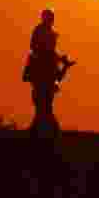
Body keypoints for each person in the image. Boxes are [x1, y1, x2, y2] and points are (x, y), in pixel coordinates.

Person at [23, 8, 75, 138]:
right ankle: (49, 129)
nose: (52, 21)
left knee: (44, 101)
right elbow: (38, 49)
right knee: (43, 101)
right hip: (42, 69)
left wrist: (59, 59)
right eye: (50, 18)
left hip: (47, 68)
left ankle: (39, 129)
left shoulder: (46, 32)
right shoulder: (41, 32)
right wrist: (58, 59)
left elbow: (50, 51)